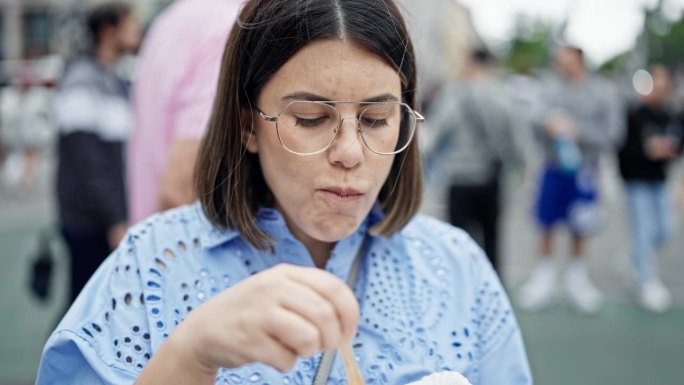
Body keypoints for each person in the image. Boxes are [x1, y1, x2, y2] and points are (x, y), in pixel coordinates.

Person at [37, 1, 532, 384]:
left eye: (378, 120)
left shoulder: (457, 269)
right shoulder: (149, 266)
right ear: (247, 124)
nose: (350, 152)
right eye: (311, 119)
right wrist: (191, 355)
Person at [517, 45, 623, 314]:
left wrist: (579, 131)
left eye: (567, 61)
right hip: (552, 168)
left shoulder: (602, 91)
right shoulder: (550, 89)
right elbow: (533, 121)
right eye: (558, 62)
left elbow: (613, 133)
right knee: (546, 222)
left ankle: (578, 279)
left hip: (585, 170)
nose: (562, 66)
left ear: (580, 61)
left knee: (580, 224)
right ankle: (545, 277)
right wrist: (549, 124)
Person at [52, 2, 142, 303]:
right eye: (130, 25)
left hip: (106, 218)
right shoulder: (82, 79)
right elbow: (87, 161)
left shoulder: (115, 80)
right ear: (108, 31)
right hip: (89, 222)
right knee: (85, 305)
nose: (137, 32)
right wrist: (114, 219)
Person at [127, 0, 241, 224]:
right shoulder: (226, 29)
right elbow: (180, 189)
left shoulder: (173, 18)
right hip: (182, 247)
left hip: (149, 237)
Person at [425, 48, 527, 273]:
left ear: (470, 63)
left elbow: (434, 135)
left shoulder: (455, 94)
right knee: (492, 238)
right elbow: (517, 142)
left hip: (460, 177)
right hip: (492, 178)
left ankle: (460, 289)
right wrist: (519, 170)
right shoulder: (504, 95)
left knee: (457, 241)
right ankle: (492, 291)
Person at [617, 65, 682, 313]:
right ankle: (646, 282)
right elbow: (623, 150)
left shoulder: (672, 115)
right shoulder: (634, 114)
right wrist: (647, 152)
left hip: (660, 180)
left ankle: (634, 257)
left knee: (664, 228)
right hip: (637, 181)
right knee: (643, 231)